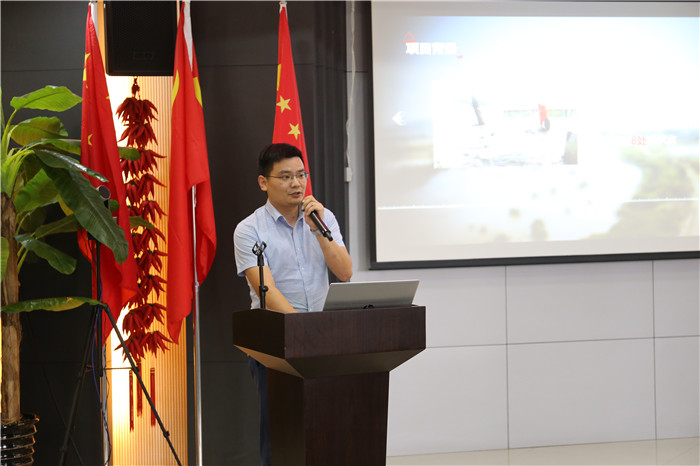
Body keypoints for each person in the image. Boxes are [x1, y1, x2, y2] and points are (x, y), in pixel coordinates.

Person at [233, 142, 352, 465]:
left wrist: (319, 231)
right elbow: (266, 290)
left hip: (324, 342)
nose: (296, 183)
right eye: (285, 177)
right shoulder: (249, 230)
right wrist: (303, 331)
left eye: (301, 175)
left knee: (327, 429)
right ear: (264, 182)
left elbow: (345, 272)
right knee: (282, 435)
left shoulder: (323, 218)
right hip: (276, 344)